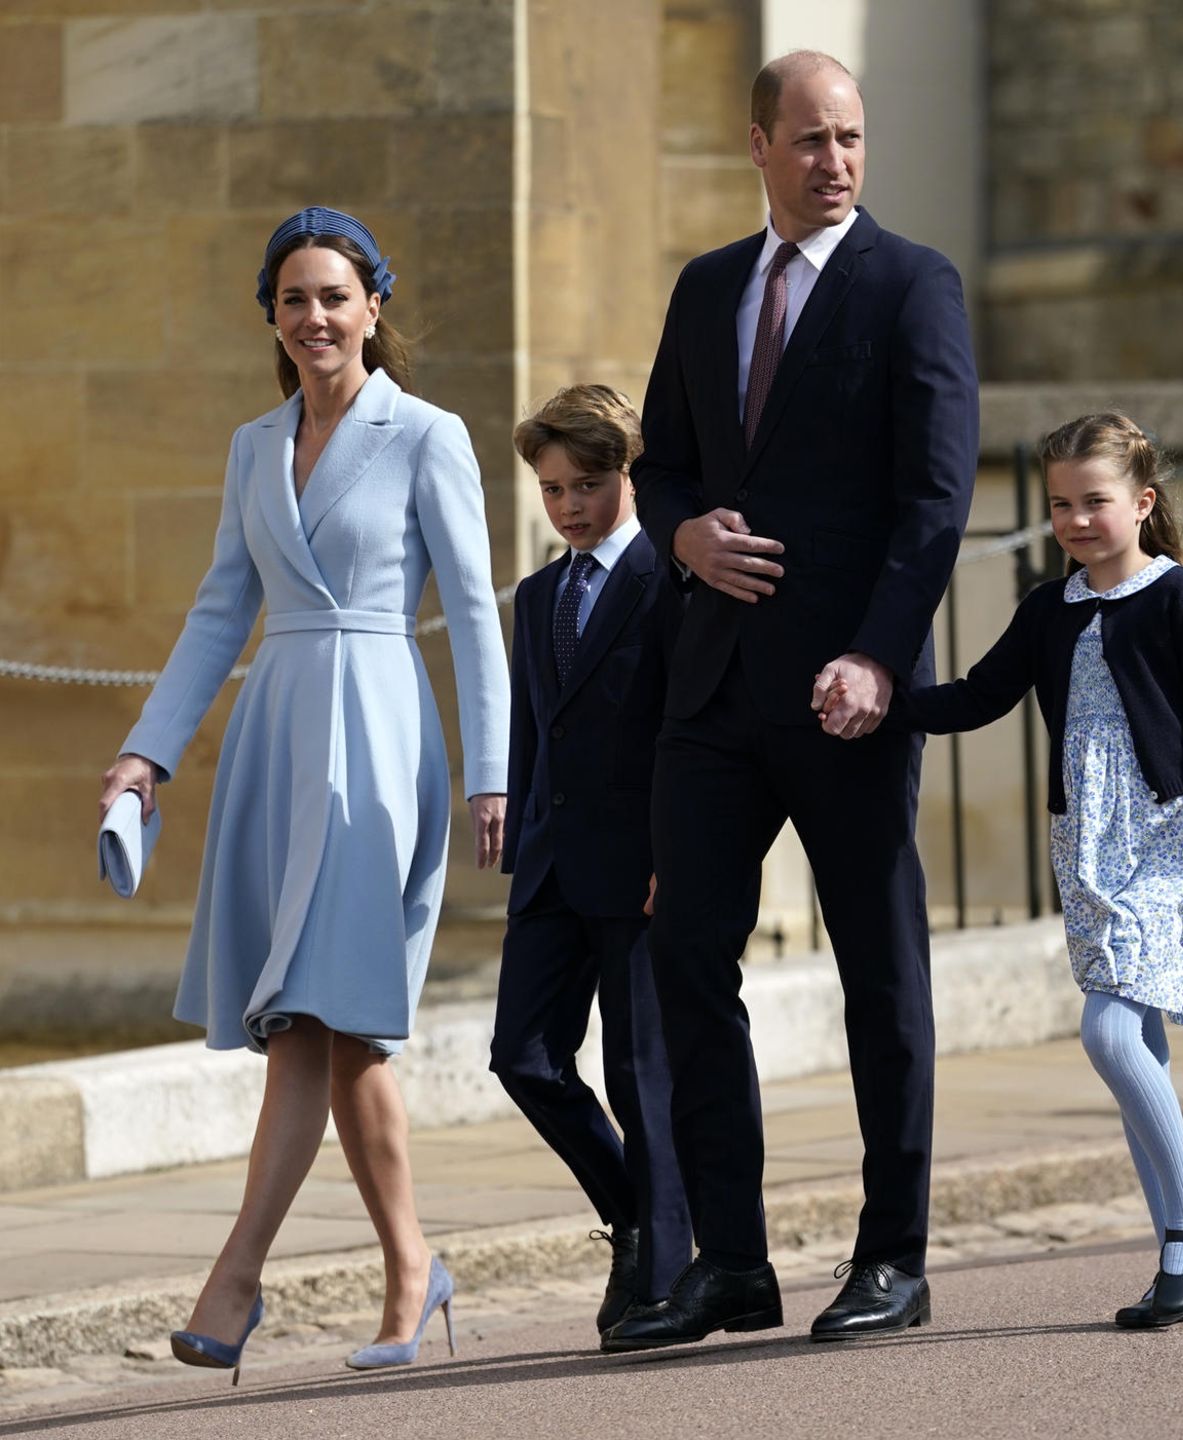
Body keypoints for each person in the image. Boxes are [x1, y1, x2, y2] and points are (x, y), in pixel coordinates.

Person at [601, 52, 978, 1353]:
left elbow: (935, 504)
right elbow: (660, 469)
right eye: (811, 139)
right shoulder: (708, 288)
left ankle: (894, 1256)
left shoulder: (911, 284)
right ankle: (734, 1267)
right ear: (758, 143)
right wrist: (687, 535)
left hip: (848, 699)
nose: (837, 161)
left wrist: (878, 656)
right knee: (685, 960)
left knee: (882, 971)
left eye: (853, 139)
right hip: (711, 695)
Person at [97, 207, 509, 1379]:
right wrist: (147, 753)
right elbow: (218, 610)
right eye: (293, 299)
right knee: (329, 1032)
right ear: (271, 319)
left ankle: (237, 1280)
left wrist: (495, 773)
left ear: (374, 304)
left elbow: (476, 613)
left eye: (335, 296)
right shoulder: (251, 446)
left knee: (318, 1022)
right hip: (282, 736)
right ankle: (410, 1268)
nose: (315, 317)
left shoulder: (427, 434)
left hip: (379, 741)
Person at [853, 412, 1183, 1328]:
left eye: (1097, 502)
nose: (1077, 520)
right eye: (1060, 505)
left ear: (1143, 503)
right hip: (1086, 843)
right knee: (1137, 1049)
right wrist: (882, 698)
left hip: (1166, 836)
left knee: (1111, 1036)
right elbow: (978, 696)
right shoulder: (1047, 608)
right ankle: (1180, 1248)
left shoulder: (1181, 599)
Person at [490, 384, 691, 1335]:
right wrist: (524, 840)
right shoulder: (535, 598)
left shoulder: (668, 580)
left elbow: (683, 736)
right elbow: (536, 732)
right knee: (523, 1058)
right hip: (551, 867)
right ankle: (636, 1216)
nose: (570, 505)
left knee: (638, 1072)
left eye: (589, 483)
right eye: (552, 487)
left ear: (630, 477)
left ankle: (657, 1268)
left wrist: (677, 852)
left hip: (642, 867)